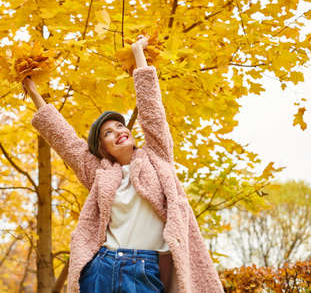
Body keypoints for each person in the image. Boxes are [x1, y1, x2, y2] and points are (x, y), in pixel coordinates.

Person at [22, 36, 224, 293]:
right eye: (108, 132)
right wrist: (33, 91)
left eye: (120, 126)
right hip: (102, 269)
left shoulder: (157, 157)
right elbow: (65, 141)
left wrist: (138, 53)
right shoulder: (100, 174)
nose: (118, 131)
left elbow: (152, 111)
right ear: (102, 148)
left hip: (143, 269)